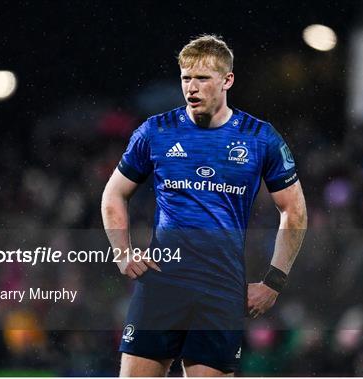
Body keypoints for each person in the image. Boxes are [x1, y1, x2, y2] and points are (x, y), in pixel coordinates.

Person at [101, 34, 307, 377]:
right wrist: (122, 252)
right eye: (185, 78)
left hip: (221, 290)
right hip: (162, 284)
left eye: (202, 78)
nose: (191, 88)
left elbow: (295, 210)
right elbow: (113, 194)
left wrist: (273, 281)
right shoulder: (156, 132)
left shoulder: (259, 138)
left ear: (227, 80)